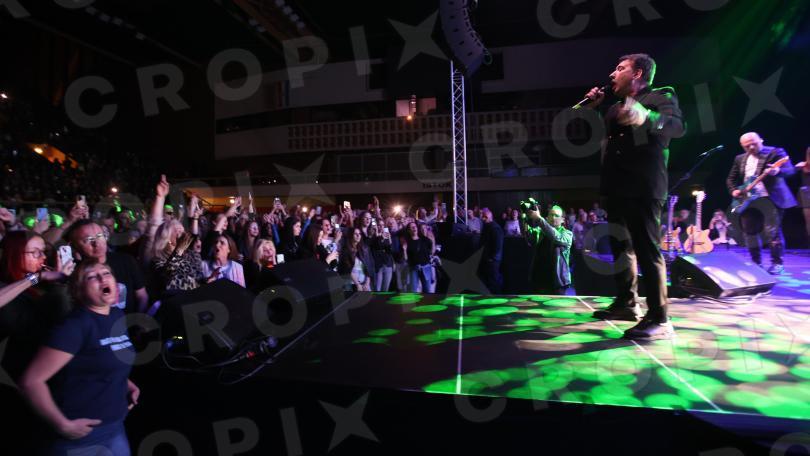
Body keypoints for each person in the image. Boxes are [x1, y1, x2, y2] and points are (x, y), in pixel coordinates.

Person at [583, 53, 685, 339]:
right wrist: (594, 110)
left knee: (647, 249)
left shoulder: (660, 96)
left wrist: (646, 116)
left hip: (644, 186)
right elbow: (606, 140)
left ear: (638, 73)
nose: (612, 74)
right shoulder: (616, 107)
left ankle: (660, 318)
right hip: (617, 186)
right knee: (621, 246)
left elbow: (677, 127)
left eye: (620, 68)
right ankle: (627, 303)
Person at [20, 260, 139, 455]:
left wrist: (127, 383)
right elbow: (31, 381)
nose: (102, 278)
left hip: (115, 426)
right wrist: (62, 424)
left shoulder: (116, 315)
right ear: (78, 291)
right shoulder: (74, 327)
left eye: (106, 273)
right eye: (92, 277)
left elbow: (101, 360)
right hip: (81, 438)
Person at [0, 231, 75, 380]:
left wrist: (60, 282)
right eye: (35, 252)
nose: (44, 257)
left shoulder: (41, 284)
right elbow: (36, 326)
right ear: (15, 254)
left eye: (43, 251)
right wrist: (46, 280)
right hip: (21, 371)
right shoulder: (6, 289)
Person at [726, 132, 796, 274]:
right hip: (748, 200)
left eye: (754, 144)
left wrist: (777, 171)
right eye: (747, 146)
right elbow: (730, 179)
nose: (751, 147)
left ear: (761, 140)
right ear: (742, 146)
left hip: (771, 198)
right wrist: (734, 191)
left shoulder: (775, 152)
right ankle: (756, 263)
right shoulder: (739, 158)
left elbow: (790, 170)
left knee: (773, 232)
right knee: (749, 232)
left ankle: (777, 263)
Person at [64, 220, 149, 314]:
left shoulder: (126, 260)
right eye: (88, 240)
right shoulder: (74, 272)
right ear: (75, 246)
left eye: (100, 236)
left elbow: (142, 296)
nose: (96, 243)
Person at [524, 205, 573, 294]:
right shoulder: (540, 231)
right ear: (547, 217)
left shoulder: (567, 234)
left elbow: (555, 237)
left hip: (557, 282)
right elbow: (529, 237)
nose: (553, 217)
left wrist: (539, 219)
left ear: (562, 220)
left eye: (556, 215)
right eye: (551, 215)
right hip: (540, 279)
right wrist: (525, 217)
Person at [478, 208, 504, 293]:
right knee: (488, 281)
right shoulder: (487, 226)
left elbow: (498, 245)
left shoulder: (495, 228)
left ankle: (495, 298)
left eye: (484, 216)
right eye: (482, 216)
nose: (483, 218)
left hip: (493, 260)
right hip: (488, 259)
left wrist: (491, 258)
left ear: (489, 216)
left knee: (493, 282)